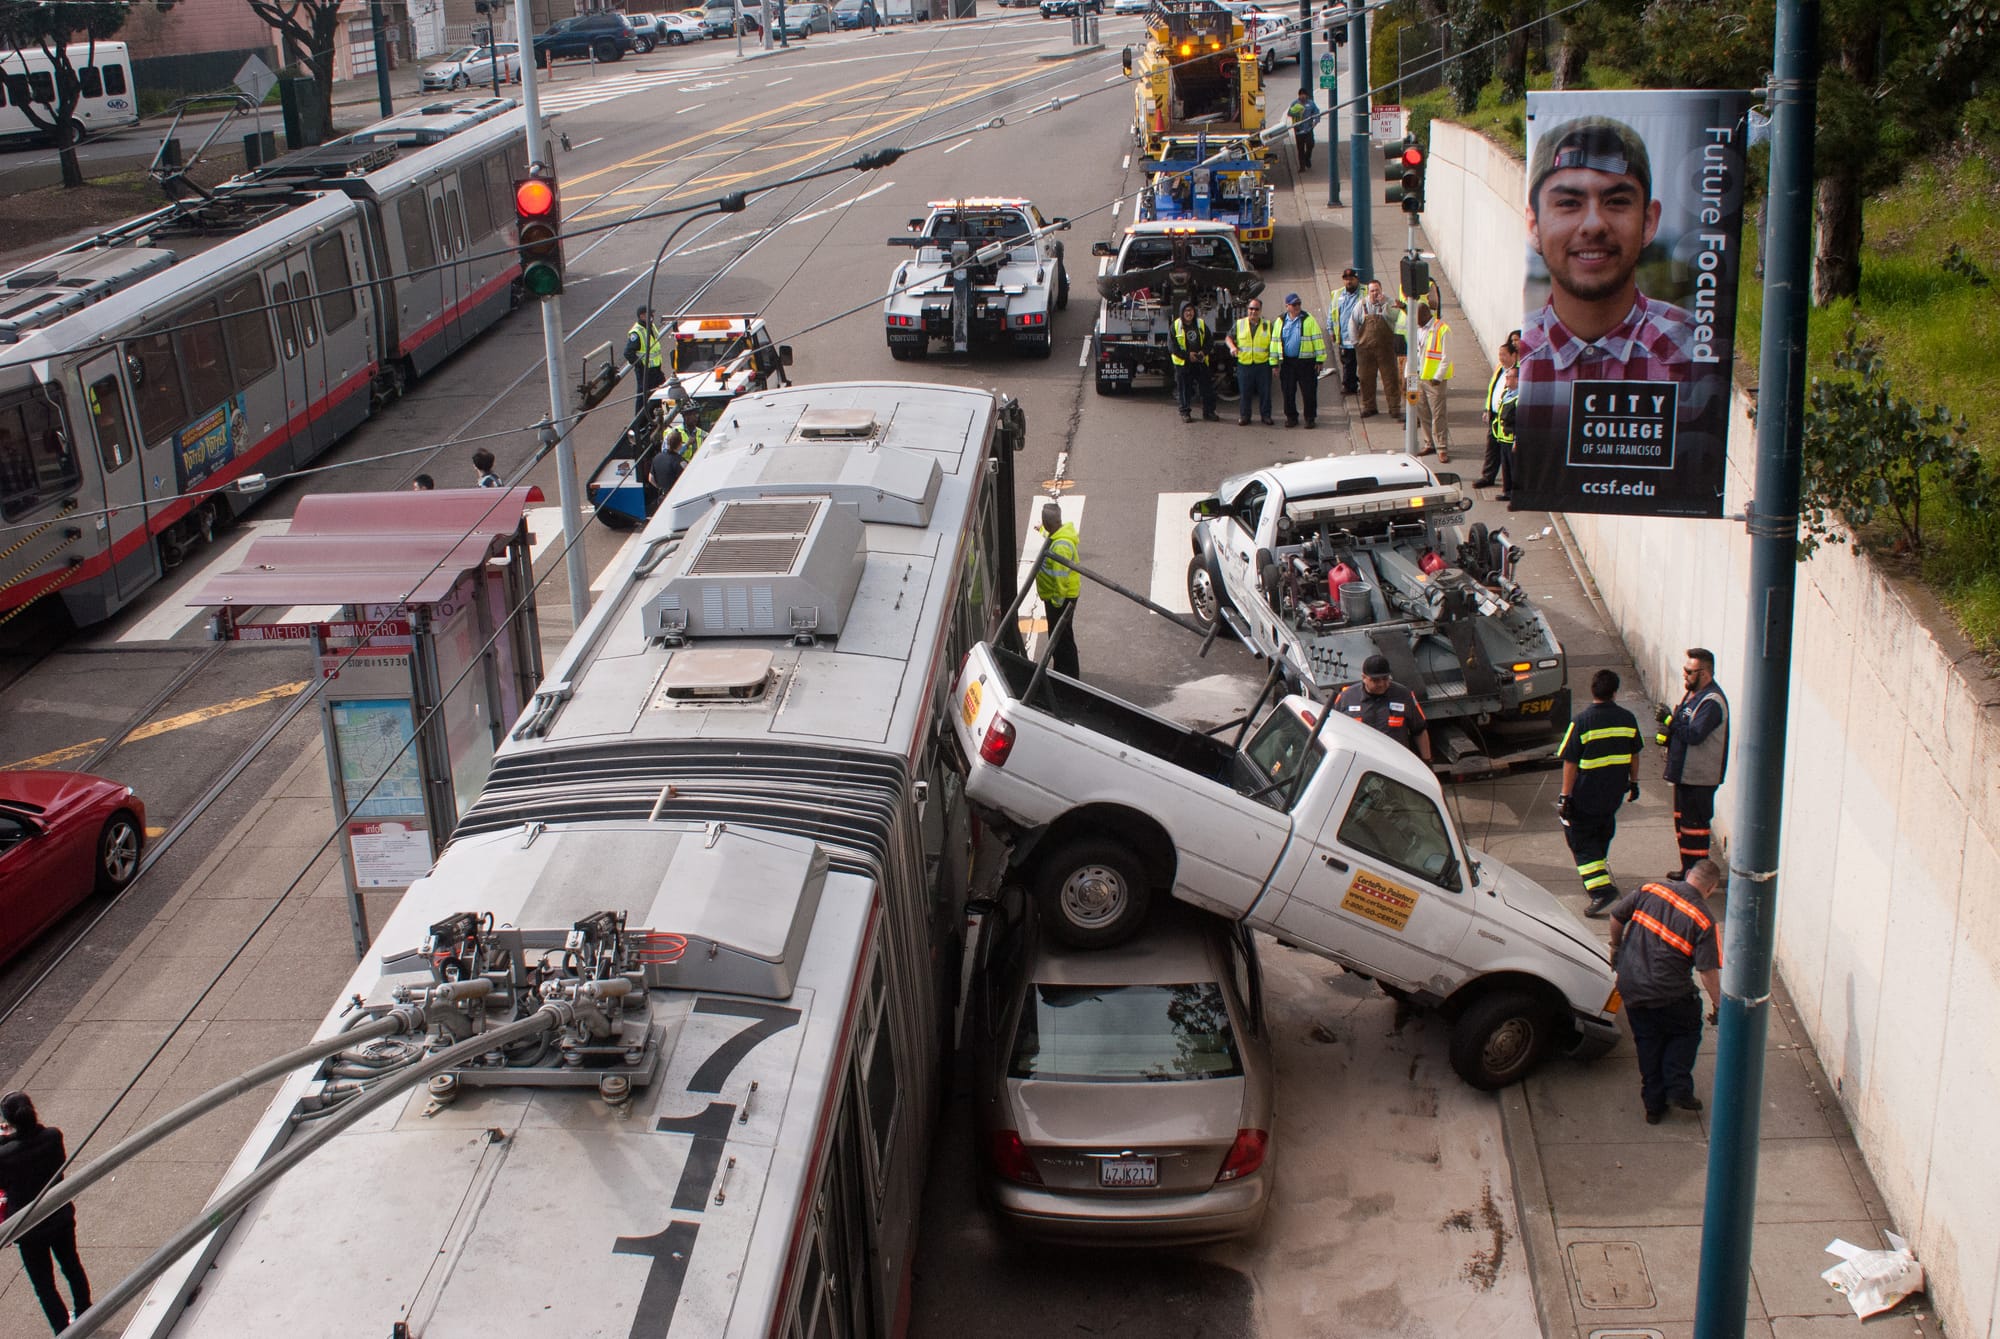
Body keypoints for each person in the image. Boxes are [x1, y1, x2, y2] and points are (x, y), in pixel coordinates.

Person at [1515, 116, 1706, 440]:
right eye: (1568, 203)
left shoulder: (1694, 352)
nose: (1593, 224)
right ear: (1533, 224)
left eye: (1616, 202)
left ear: (1648, 221)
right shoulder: (1518, 357)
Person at [1605, 861, 1724, 1124]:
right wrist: (1719, 1005)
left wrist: (1616, 948)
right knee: (1685, 1031)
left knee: (1647, 1042)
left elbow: (1616, 916)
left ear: (1689, 875)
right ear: (1711, 887)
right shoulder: (1704, 920)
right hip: (1670, 994)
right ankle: (1678, 1086)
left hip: (1632, 987)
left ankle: (1653, 1106)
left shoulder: (1651, 889)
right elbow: (1707, 972)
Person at [0, 1091, 93, 1333]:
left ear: (10, 1122)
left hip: (29, 1227)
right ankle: (86, 1311)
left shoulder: (5, 1154)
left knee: (44, 1285)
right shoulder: (53, 1137)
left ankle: (63, 1330)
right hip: (59, 1216)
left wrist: (5, 1139)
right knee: (72, 1265)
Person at [1557, 668, 1643, 917]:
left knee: (1580, 840)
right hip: (1613, 793)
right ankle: (1597, 872)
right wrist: (1634, 783)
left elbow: (1570, 762)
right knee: (1602, 831)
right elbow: (1635, 754)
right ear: (1615, 692)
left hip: (1585, 794)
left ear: (1592, 690)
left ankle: (1600, 890)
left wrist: (1565, 796)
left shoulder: (1582, 722)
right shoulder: (1628, 719)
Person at [1659, 646, 1729, 879]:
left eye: (1690, 671)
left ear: (1705, 673)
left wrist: (1670, 720)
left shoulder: (1711, 702)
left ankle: (1696, 877)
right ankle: (1687, 869)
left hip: (1700, 779)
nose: (1685, 675)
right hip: (1684, 776)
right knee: (1683, 828)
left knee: (1695, 829)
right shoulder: (1692, 695)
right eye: (1685, 670)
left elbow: (1694, 735)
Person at [1331, 653, 1431, 761]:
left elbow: (1419, 730)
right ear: (1364, 678)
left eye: (1385, 678)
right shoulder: (1346, 697)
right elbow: (1333, 731)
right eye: (1376, 680)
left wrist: (1427, 760)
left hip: (1396, 763)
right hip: (1360, 763)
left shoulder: (1404, 695)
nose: (1382, 684)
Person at [1034, 501, 1081, 679]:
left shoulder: (1060, 546)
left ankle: (1068, 676)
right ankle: (1063, 672)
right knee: (1059, 636)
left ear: (1049, 523)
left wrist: (1056, 603)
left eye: (1044, 523)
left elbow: (1061, 581)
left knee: (1062, 638)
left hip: (1060, 599)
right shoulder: (1060, 535)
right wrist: (1041, 530)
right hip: (1061, 598)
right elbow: (1051, 535)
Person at [1476, 332, 1521, 494]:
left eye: (1503, 354)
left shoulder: (1518, 372)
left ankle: (1510, 489)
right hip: (1495, 416)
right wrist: (1487, 408)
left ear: (1513, 355)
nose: (1500, 357)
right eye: (1499, 354)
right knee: (1492, 449)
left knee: (1508, 457)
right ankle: (1488, 476)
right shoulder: (1499, 370)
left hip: (1508, 419)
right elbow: (1492, 390)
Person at [1275, 293, 1327, 429]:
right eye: (1294, 304)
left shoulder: (1308, 319)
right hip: (1287, 363)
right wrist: (1274, 363)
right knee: (1288, 391)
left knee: (1309, 392)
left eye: (1299, 304)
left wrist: (1320, 360)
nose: (1297, 307)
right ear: (1287, 306)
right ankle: (1291, 417)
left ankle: (1310, 418)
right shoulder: (1280, 321)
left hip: (1306, 363)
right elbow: (1274, 342)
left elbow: (1318, 340)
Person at [1411, 300, 1453, 461]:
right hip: (1418, 377)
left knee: (1438, 414)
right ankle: (1429, 443)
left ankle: (1442, 447)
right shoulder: (1417, 328)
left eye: (1417, 316)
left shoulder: (1442, 329)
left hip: (1434, 380)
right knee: (1423, 413)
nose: (1415, 320)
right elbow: (1414, 352)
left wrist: (1438, 376)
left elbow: (1447, 357)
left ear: (1425, 314)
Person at [1354, 279, 1400, 420]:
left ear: (1381, 290)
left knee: (1390, 379)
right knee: (1366, 379)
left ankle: (1394, 409)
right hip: (1365, 350)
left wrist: (1384, 304)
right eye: (1372, 291)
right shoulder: (1361, 305)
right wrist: (1355, 342)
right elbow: (1353, 322)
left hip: (1385, 348)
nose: (1375, 293)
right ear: (1368, 292)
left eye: (1377, 290)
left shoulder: (1390, 302)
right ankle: (1369, 407)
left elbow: (1395, 316)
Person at [1227, 298, 1277, 427]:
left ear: (1260, 311)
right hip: (1245, 364)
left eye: (1256, 309)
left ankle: (1266, 416)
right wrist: (1232, 347)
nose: (1253, 311)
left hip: (1263, 364)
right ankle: (1245, 416)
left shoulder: (1268, 325)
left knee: (1265, 392)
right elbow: (1228, 338)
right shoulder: (1240, 324)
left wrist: (1275, 364)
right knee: (1245, 392)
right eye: (1251, 308)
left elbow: (1275, 344)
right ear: (1247, 309)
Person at [1169, 300, 1219, 422]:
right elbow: (1172, 347)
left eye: (1190, 310)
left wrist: (1203, 352)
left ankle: (1209, 412)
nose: (1189, 313)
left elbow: (1209, 341)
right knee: (1184, 390)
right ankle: (1185, 413)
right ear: (1182, 312)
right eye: (1186, 311)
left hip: (1200, 362)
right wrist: (1187, 356)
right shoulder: (1175, 326)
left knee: (1207, 389)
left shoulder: (1200, 323)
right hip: (1184, 364)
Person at [624, 305, 665, 419]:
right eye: (650, 314)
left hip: (655, 370)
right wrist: (641, 366)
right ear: (642, 316)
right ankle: (639, 424)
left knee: (657, 395)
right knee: (643, 398)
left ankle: (654, 418)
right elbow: (628, 353)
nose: (652, 316)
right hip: (646, 372)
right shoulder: (637, 332)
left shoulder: (650, 327)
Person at [1329, 268, 1363, 398]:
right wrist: (1331, 329)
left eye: (1351, 279)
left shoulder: (1363, 292)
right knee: (1347, 362)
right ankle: (1350, 385)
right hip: (1344, 336)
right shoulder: (1338, 294)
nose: (1349, 282)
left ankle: (1355, 385)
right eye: (1346, 279)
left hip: (1361, 336)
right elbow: (1331, 312)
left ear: (1356, 279)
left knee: (1360, 363)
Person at [1285, 89, 1319, 172]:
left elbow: (1316, 113)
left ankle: (1307, 158)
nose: (1303, 96)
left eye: (1304, 95)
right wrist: (1298, 112)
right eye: (1301, 95)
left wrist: (1315, 122)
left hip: (1308, 129)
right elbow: (1289, 113)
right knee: (1300, 149)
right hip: (1299, 130)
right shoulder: (1295, 103)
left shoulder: (1311, 103)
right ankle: (1302, 166)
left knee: (1310, 144)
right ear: (1299, 95)